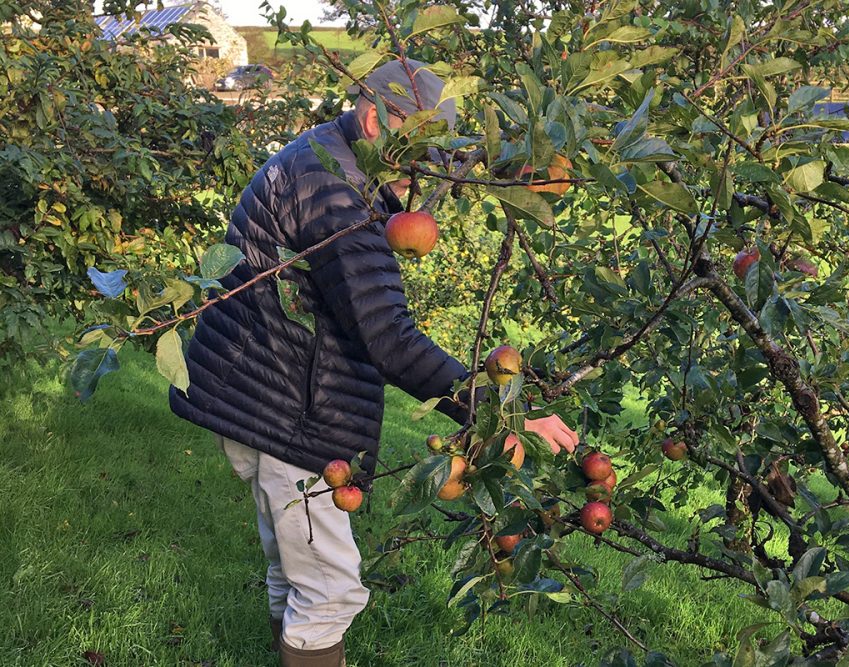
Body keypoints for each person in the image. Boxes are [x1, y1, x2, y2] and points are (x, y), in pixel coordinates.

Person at [169, 60, 579, 667]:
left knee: (293, 566)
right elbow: (387, 335)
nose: (423, 176)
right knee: (331, 590)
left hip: (257, 395)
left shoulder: (327, 160)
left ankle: (286, 647)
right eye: (416, 154)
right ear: (373, 119)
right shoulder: (336, 192)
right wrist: (502, 415)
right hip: (288, 410)